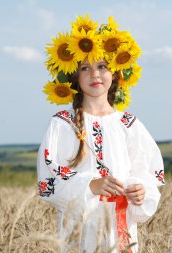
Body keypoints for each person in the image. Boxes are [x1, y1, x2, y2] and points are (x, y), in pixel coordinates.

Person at [37, 14, 165, 253]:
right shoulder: (63, 125)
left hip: (122, 233)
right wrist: (90, 185)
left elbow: (148, 172)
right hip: (79, 235)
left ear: (115, 73)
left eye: (102, 66)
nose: (95, 74)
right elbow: (47, 182)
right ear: (74, 77)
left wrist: (141, 190)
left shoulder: (130, 125)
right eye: (85, 68)